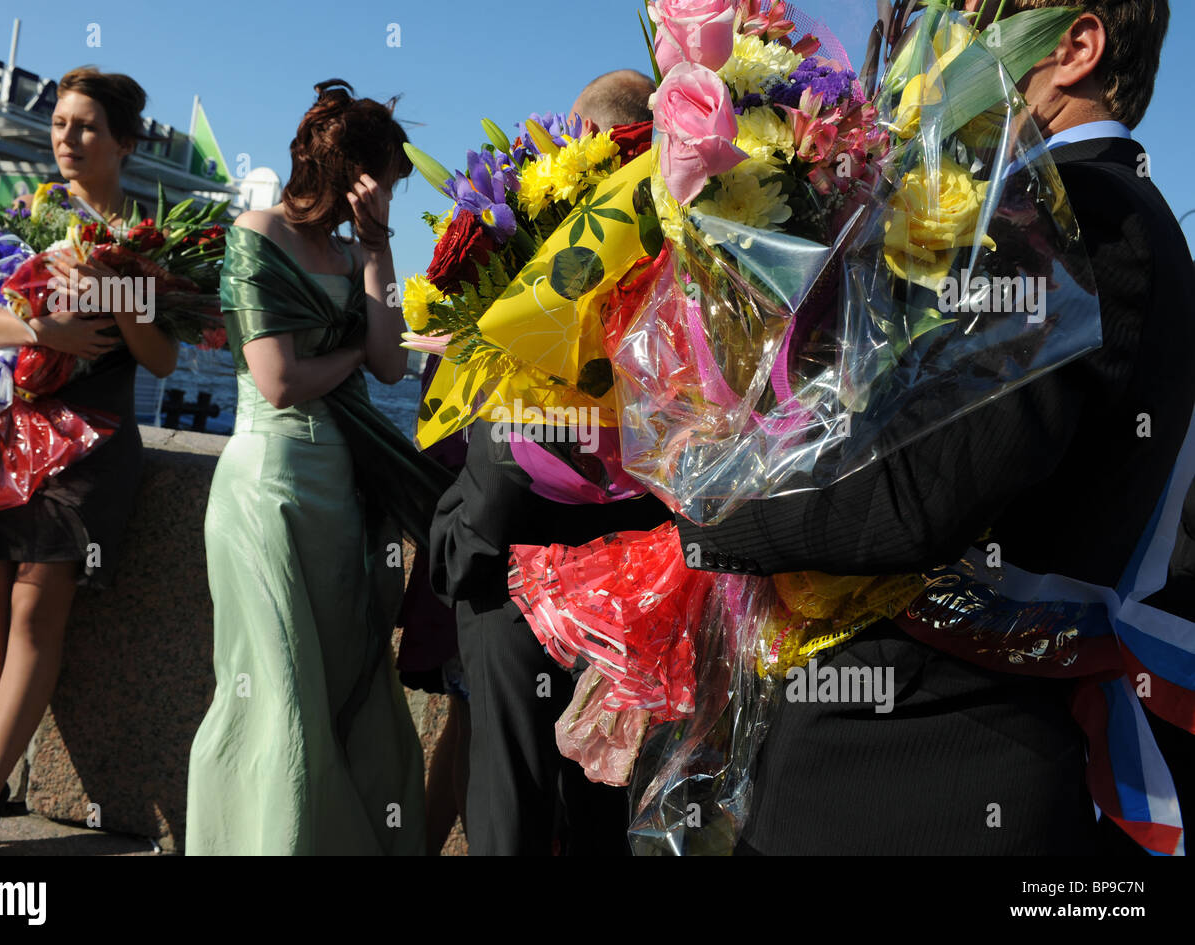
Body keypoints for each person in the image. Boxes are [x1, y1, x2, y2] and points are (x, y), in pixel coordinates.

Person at [675, 0, 1194, 854]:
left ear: (1077, 47)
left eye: (976, 16)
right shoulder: (1091, 212)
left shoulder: (1085, 218)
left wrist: (714, 506)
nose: (943, 40)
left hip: (922, 763)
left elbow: (921, 486)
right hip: (926, 752)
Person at [185, 79, 450, 855]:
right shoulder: (256, 231)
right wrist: (352, 355)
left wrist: (379, 248)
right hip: (268, 492)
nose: (384, 201)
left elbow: (391, 366)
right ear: (353, 175)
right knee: (276, 693)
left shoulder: (354, 249)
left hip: (343, 494)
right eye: (383, 187)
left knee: (342, 685)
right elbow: (279, 381)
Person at [0, 67, 178, 855]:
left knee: (37, 606)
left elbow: (164, 358)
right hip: (7, 426)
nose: (66, 139)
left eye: (84, 128)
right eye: (61, 124)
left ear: (124, 145)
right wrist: (44, 332)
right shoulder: (28, 211)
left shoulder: (147, 236)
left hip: (95, 439)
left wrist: (120, 290)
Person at [429, 70, 672, 856]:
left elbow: (512, 431)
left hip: (515, 574)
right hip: (635, 583)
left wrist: (466, 541)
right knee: (604, 804)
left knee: (512, 805)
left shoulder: (567, 247)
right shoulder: (678, 251)